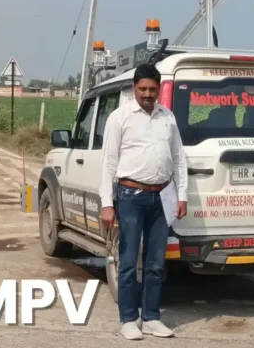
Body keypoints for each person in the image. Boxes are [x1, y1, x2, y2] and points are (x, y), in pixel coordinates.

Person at [99, 63, 188, 340]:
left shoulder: (168, 118)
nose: (147, 94)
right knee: (127, 261)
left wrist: (182, 195)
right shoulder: (119, 117)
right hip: (130, 197)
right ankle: (128, 319)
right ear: (134, 89)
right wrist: (107, 203)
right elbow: (108, 164)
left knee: (156, 263)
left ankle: (151, 317)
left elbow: (178, 159)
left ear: (159, 89)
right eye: (142, 89)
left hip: (162, 197)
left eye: (152, 89)